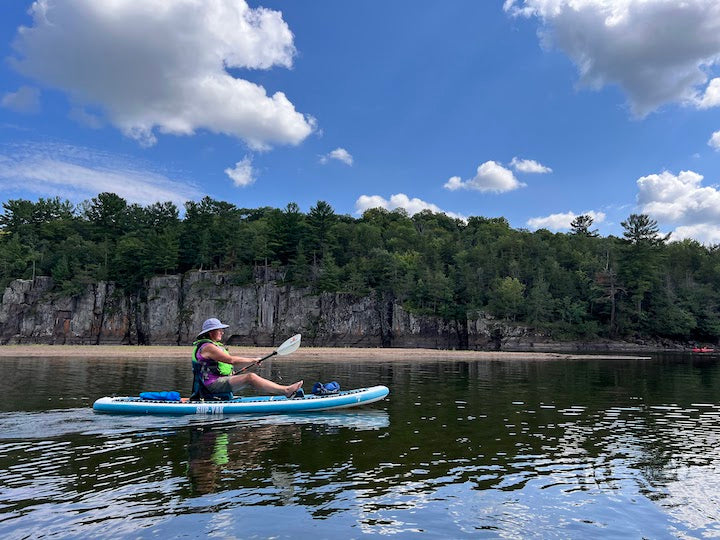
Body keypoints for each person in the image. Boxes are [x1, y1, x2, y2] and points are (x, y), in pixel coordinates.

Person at [193, 318, 303, 397]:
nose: (222, 332)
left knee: (250, 377)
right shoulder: (208, 347)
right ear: (211, 332)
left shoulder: (212, 346)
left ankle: (285, 390)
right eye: (219, 330)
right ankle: (286, 390)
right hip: (211, 385)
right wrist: (253, 360)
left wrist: (229, 375)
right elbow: (231, 360)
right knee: (250, 377)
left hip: (216, 381)